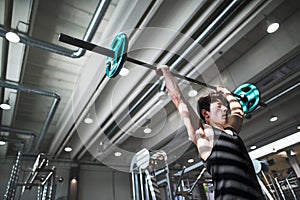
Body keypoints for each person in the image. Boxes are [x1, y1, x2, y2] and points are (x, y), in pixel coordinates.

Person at [157, 65, 264, 200]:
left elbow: (238, 111)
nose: (225, 109)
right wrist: (166, 71)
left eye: (225, 106)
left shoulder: (231, 130)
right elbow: (178, 99)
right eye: (219, 106)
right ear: (205, 113)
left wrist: (226, 92)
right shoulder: (203, 133)